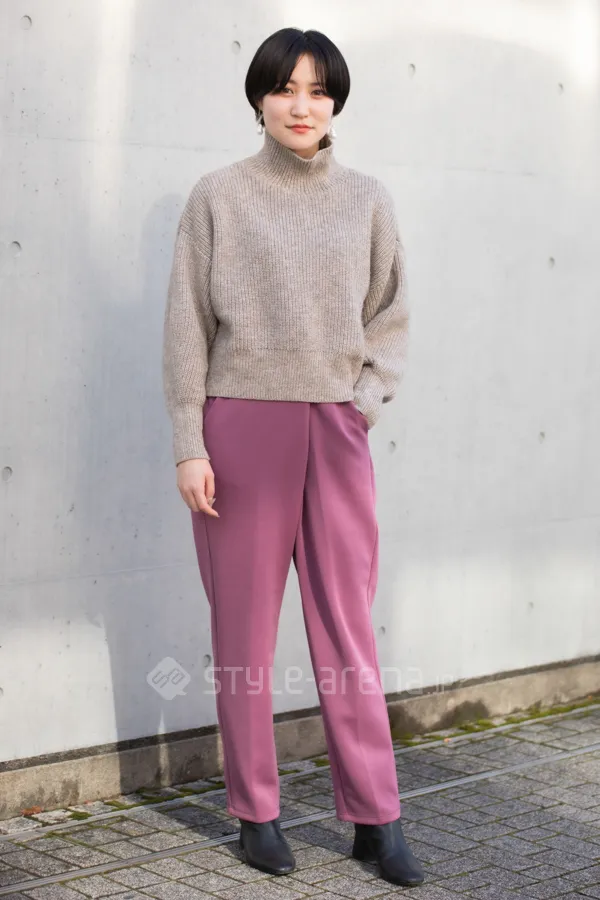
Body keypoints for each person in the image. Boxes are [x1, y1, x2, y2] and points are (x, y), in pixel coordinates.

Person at [162, 26, 424, 888]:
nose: (301, 105)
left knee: (346, 625)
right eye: (285, 88)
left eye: (317, 89)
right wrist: (190, 443)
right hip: (240, 428)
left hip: (335, 429)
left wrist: (363, 402)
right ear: (259, 99)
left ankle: (376, 819)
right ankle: (256, 813)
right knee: (242, 629)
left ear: (336, 100)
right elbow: (187, 326)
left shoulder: (368, 198)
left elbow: (390, 316)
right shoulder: (218, 196)